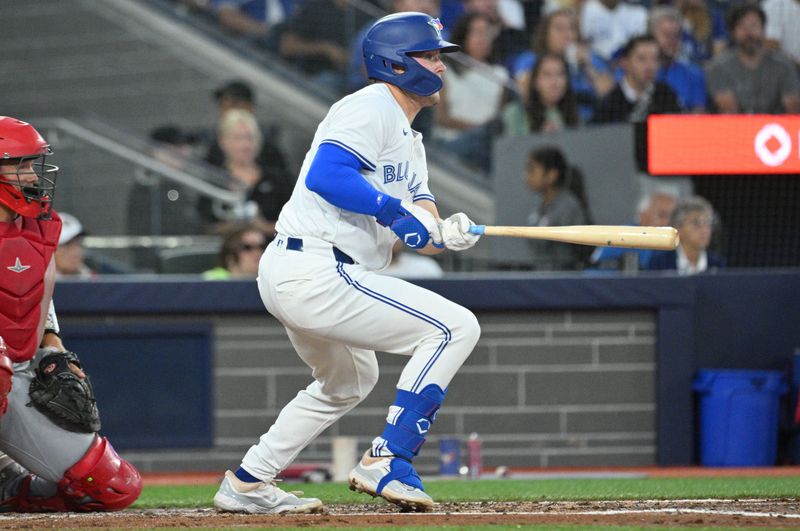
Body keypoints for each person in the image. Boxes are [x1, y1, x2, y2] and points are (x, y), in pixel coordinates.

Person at [212, 12, 481, 514]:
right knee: (454, 328)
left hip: (308, 271)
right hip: (316, 267)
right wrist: (395, 212)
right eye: (430, 56)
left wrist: (445, 231)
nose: (440, 67)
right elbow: (327, 175)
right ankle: (388, 457)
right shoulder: (371, 105)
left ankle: (249, 481)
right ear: (397, 66)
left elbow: (420, 218)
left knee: (348, 382)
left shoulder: (411, 137)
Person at [0, 116, 141, 511]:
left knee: (113, 486)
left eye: (33, 164)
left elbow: (34, 295)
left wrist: (52, 343)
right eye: (21, 164)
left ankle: (8, 485)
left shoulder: (39, 227)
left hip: (19, 372)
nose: (31, 175)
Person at [434, 12, 510, 171]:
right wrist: (478, 131)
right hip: (451, 141)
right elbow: (441, 118)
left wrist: (484, 134)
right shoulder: (445, 69)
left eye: (487, 33)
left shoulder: (501, 76)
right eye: (477, 32)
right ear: (464, 35)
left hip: (486, 145)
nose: (483, 38)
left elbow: (498, 122)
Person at [200, 108, 293, 236]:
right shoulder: (213, 181)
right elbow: (203, 227)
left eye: (249, 138)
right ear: (223, 142)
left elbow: (295, 224)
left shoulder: (277, 179)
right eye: (238, 138)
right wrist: (233, 226)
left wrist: (263, 226)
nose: (245, 145)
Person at [512, 9, 613, 122]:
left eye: (572, 28)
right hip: (548, 121)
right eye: (559, 29)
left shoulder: (590, 59)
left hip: (593, 122)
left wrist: (587, 66)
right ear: (545, 34)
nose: (567, 35)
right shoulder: (530, 59)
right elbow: (524, 93)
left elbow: (611, 97)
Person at [705, 3, 800, 114]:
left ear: (764, 29)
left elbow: (793, 108)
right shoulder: (719, 67)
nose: (749, 33)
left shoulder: (784, 65)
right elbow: (729, 111)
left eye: (754, 26)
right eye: (742, 27)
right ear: (732, 32)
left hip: (776, 128)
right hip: (735, 128)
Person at [524, 146, 589, 270]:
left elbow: (578, 252)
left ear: (551, 175)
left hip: (563, 282)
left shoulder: (568, 207)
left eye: (532, 170)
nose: (526, 176)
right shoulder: (539, 207)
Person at [592, 34, 683, 124]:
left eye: (654, 59)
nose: (650, 66)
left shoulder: (666, 95)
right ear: (625, 62)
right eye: (642, 59)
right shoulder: (611, 103)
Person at [590, 187, 678, 270]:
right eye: (662, 215)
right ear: (643, 215)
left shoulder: (677, 243)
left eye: (674, 217)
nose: (669, 222)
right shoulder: (619, 239)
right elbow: (592, 277)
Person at [646, 195, 725, 274]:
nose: (705, 230)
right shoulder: (660, 262)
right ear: (678, 227)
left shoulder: (717, 264)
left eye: (707, 222)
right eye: (696, 223)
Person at [649, 6, 707, 113]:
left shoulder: (694, 74)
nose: (672, 41)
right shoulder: (637, 72)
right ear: (650, 36)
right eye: (666, 35)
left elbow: (699, 115)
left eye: (676, 35)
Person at [505, 52, 580, 134]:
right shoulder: (516, 112)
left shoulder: (573, 112)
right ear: (535, 82)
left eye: (560, 74)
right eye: (547, 75)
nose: (554, 82)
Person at [203, 224, 269, 279]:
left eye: (261, 247)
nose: (257, 252)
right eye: (248, 248)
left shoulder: (272, 283)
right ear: (230, 255)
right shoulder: (210, 281)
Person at [54, 213, 96, 278]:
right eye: (66, 244)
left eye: (79, 244)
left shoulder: (95, 281)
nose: (76, 252)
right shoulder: (36, 284)